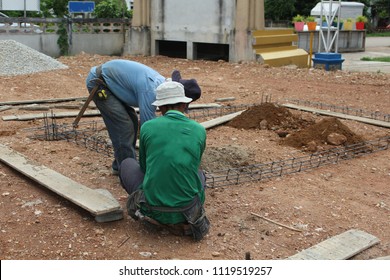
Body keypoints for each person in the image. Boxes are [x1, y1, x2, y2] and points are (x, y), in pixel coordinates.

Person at [119, 80, 210, 241]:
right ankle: (180, 218)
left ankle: (158, 216)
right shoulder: (199, 130)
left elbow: (145, 167)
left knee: (127, 163)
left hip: (153, 208)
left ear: (160, 107)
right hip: (187, 209)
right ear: (184, 104)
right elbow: (195, 164)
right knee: (200, 174)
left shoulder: (148, 127)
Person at [85, 59, 201, 174]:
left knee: (133, 120)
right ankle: (126, 171)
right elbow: (148, 130)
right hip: (100, 82)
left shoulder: (162, 86)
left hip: (112, 81)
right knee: (124, 126)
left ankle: (120, 163)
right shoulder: (150, 92)